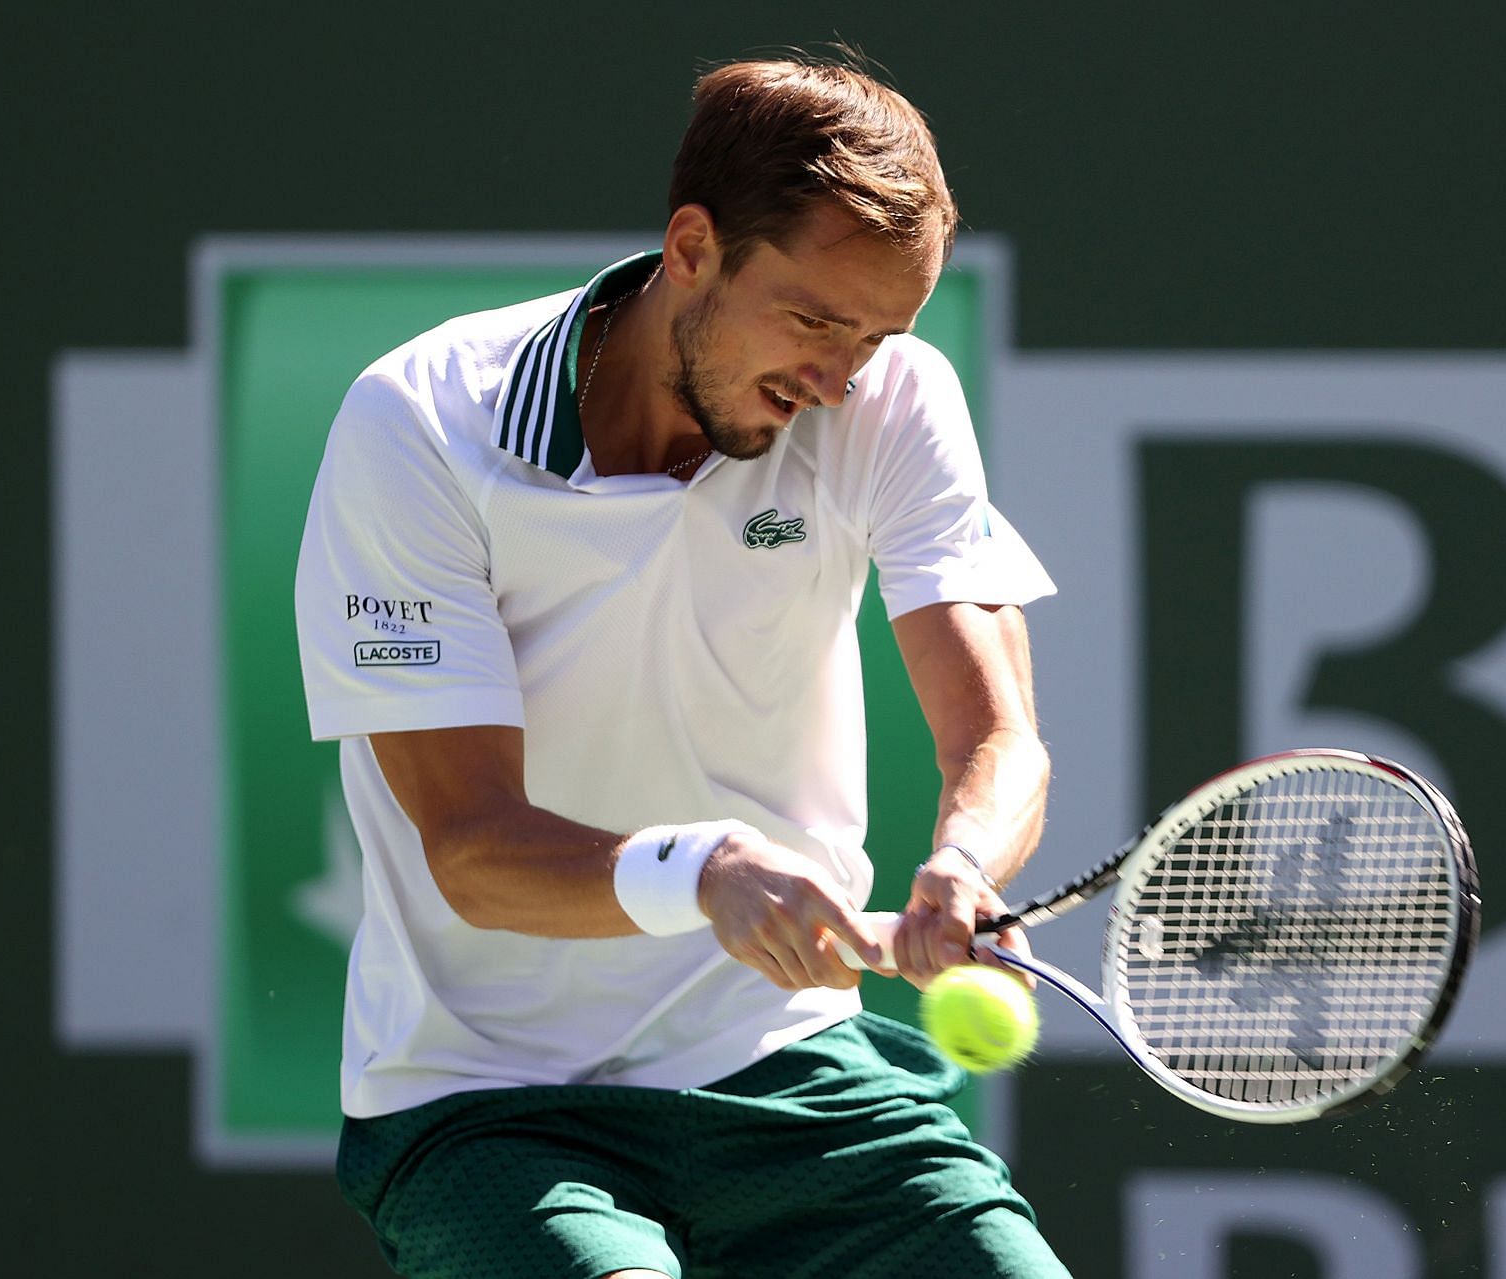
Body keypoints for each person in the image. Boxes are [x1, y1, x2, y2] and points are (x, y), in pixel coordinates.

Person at [295, 53, 1069, 1279]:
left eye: (876, 335)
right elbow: (472, 851)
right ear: (694, 247)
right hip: (489, 1099)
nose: (838, 380)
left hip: (787, 1066)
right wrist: (703, 867)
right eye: (815, 320)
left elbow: (1002, 739)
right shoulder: (423, 423)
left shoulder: (890, 401)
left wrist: (964, 863)